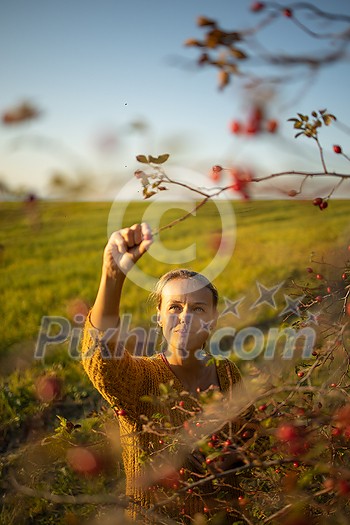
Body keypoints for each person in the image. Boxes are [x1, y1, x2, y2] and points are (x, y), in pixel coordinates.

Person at [81, 223, 253, 524]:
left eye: (198, 309)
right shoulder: (141, 379)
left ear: (213, 319)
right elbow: (101, 360)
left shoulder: (228, 374)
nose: (185, 317)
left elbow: (250, 440)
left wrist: (229, 458)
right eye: (175, 307)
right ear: (159, 317)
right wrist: (112, 274)